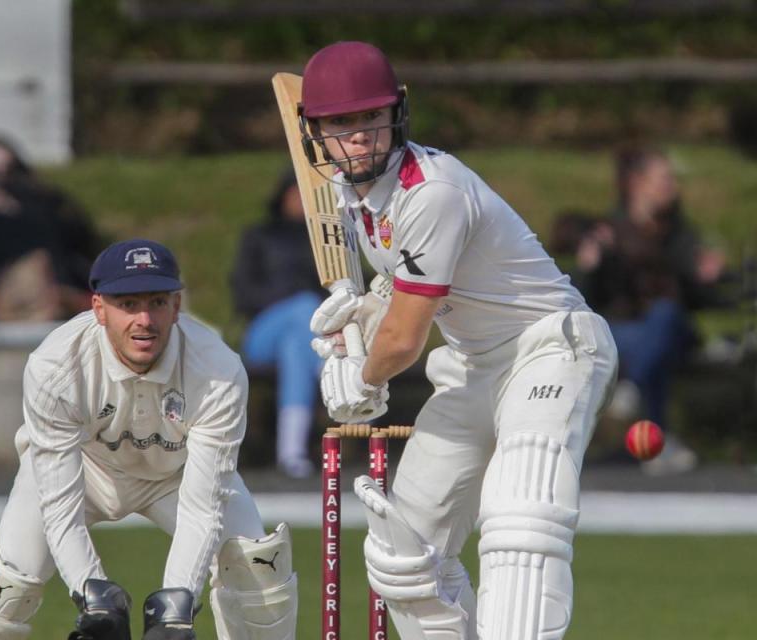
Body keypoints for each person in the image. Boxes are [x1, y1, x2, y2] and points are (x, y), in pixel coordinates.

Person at [298, 42, 618, 640]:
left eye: (370, 118)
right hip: (475, 366)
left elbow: (406, 339)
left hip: (551, 348)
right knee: (404, 554)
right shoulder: (356, 200)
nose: (359, 136)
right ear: (316, 131)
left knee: (520, 522)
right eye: (342, 123)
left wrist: (361, 380)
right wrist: (361, 317)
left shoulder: (432, 190)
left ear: (396, 115)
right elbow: (403, 293)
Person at [0, 239, 297, 640]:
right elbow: (58, 505)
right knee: (2, 585)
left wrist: (177, 605)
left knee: (257, 567)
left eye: (157, 302)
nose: (144, 319)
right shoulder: (55, 366)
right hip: (86, 472)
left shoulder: (219, 372)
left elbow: (203, 507)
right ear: (98, 308)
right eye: (127, 304)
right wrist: (94, 595)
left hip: (175, 476)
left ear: (177, 307)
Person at [574, 147, 725, 475]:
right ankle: (657, 439)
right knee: (639, 343)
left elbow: (697, 300)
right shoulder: (609, 232)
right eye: (664, 179)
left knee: (665, 316)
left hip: (668, 332)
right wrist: (590, 266)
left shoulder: (681, 236)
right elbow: (584, 296)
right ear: (637, 183)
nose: (671, 187)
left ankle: (629, 391)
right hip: (623, 331)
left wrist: (708, 279)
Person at [230, 170, 325, 478]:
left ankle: (291, 453)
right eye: (294, 194)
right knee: (304, 308)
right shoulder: (259, 236)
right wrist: (288, 298)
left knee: (296, 347)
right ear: (282, 197)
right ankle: (326, 368)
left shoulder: (324, 239)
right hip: (263, 332)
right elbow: (243, 292)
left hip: (303, 338)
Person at [0, 134, 104, 321]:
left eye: (7, 172)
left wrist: (16, 209)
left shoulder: (43, 200)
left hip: (38, 283)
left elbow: (71, 235)